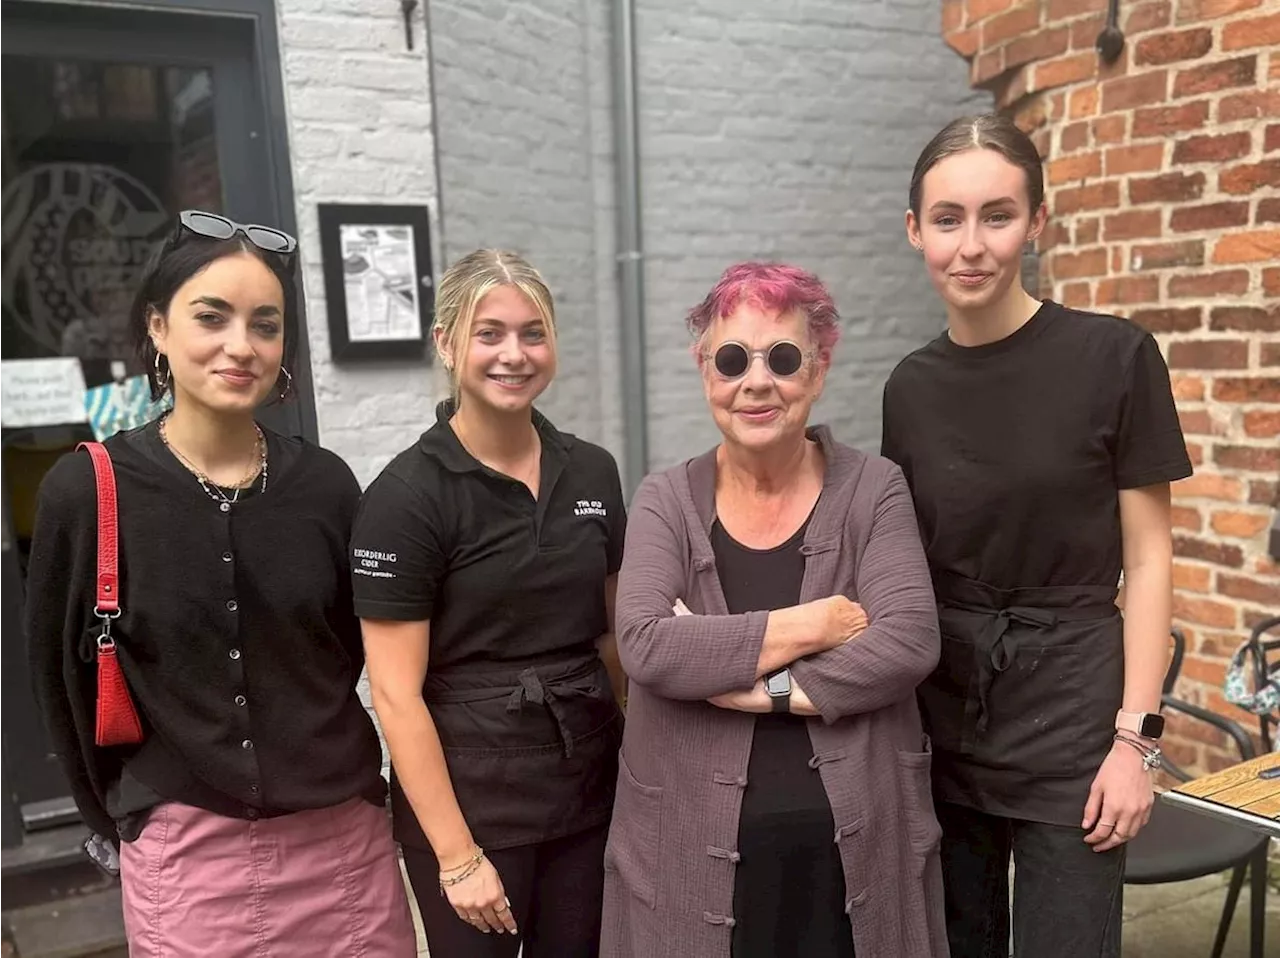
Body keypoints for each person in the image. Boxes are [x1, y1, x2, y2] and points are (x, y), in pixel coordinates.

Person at [25, 210, 416, 956]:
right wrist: (125, 818)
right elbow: (60, 683)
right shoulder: (86, 491)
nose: (242, 346)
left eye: (265, 325)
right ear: (159, 327)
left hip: (344, 843)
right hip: (186, 850)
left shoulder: (327, 486)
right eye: (213, 316)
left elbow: (350, 649)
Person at [882, 113, 1193, 958]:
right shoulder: (909, 387)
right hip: (946, 713)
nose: (971, 244)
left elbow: (1148, 557)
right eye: (947, 219)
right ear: (915, 231)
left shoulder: (1116, 357)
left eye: (998, 215)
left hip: (1076, 717)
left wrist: (1139, 742)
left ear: (1037, 222)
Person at [603, 262, 948, 958]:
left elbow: (909, 641)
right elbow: (644, 643)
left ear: (818, 370)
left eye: (782, 358)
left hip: (854, 868)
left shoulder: (874, 489)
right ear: (706, 374)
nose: (756, 381)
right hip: (687, 866)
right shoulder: (665, 500)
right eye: (732, 360)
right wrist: (813, 625)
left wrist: (763, 688)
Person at [353, 248, 628, 958]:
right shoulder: (407, 497)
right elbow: (394, 691)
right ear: (446, 344)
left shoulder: (593, 470)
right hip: (472, 804)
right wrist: (457, 856)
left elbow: (614, 644)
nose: (515, 353)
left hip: (586, 789)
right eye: (490, 333)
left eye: (533, 333)